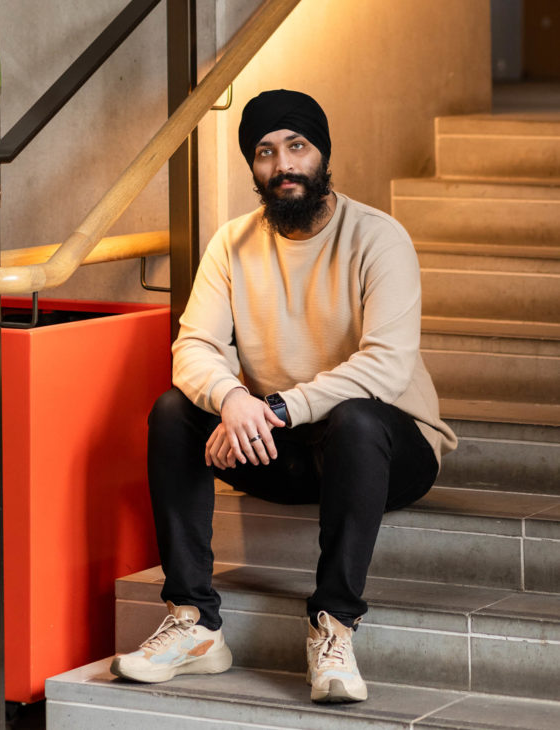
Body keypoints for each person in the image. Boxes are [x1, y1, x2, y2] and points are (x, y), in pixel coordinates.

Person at [111, 89, 457, 703]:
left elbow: (385, 364)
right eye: (266, 153)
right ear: (254, 167)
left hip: (388, 447)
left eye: (296, 147)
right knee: (173, 412)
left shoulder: (380, 238)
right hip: (284, 445)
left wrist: (270, 408)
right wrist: (230, 399)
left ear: (322, 153)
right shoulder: (231, 244)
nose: (283, 165)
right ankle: (195, 623)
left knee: (355, 421)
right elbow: (193, 348)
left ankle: (334, 624)